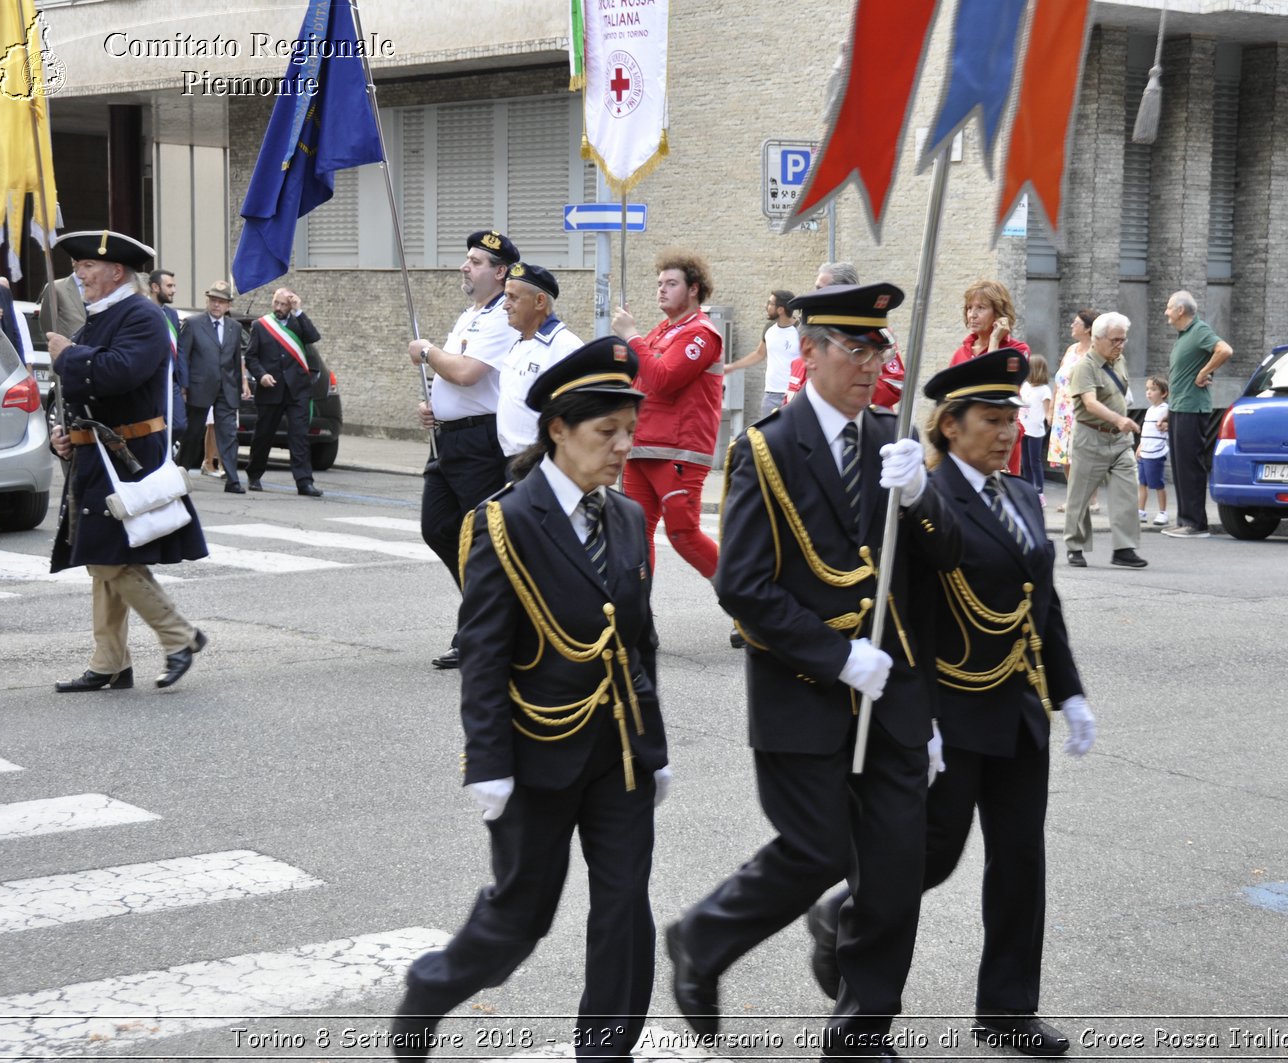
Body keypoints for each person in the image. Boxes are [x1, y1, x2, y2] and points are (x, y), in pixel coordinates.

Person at [665, 282, 962, 1059]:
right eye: (856, 349)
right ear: (814, 350)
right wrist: (837, 656)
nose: (872, 366)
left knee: (896, 871)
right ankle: (700, 938)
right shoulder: (763, 448)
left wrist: (925, 497)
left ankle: (860, 1032)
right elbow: (743, 585)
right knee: (819, 849)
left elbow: (938, 567)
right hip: (803, 692)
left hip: (891, 696)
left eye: (881, 350)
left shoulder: (890, 445)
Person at [806, 349, 1096, 1058]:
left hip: (1018, 709)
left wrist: (1070, 690)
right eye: (991, 420)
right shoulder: (921, 496)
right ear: (949, 426)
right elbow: (900, 613)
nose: (1006, 433)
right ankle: (841, 924)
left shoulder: (1024, 494)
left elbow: (1041, 606)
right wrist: (919, 714)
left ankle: (1007, 1007)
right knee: (921, 862)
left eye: (1013, 419)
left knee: (1020, 862)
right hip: (948, 712)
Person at [389, 337, 669, 1061]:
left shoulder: (629, 518)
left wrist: (654, 743)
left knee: (624, 910)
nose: (622, 447)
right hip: (536, 750)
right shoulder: (503, 521)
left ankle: (606, 1050)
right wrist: (488, 760)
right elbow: (482, 651)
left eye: (628, 432)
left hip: (619, 755)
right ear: (557, 430)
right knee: (521, 917)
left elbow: (639, 642)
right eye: (605, 433)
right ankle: (431, 988)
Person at [43, 230, 209, 692]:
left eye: (86, 269)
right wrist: (65, 433)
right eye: (78, 269)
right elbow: (79, 388)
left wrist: (70, 355)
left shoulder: (142, 314)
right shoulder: (103, 315)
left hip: (129, 454)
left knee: (112, 558)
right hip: (98, 453)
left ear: (116, 271)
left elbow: (120, 372)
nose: (79, 277)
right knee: (103, 557)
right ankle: (110, 662)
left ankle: (180, 637)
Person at [408, 230, 520, 670]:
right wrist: (433, 405)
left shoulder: (498, 319)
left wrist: (428, 351)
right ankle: (489, 615)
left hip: (479, 441)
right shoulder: (468, 315)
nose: (464, 266)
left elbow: (470, 373)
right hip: (448, 438)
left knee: (480, 540)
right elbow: (452, 378)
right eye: (467, 259)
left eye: (475, 261)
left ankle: (482, 629)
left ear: (499, 271)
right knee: (438, 528)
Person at [612, 250, 723, 580]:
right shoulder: (662, 330)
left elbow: (663, 380)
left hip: (678, 450)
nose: (661, 289)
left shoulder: (701, 333)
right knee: (634, 537)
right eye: (659, 283)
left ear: (694, 289)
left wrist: (631, 336)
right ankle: (637, 617)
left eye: (671, 283)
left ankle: (750, 605)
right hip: (643, 445)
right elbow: (640, 376)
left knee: (684, 536)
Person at [1062, 312, 1146, 569]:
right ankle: (1075, 546)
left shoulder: (1119, 360)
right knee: (1080, 496)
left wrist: (1122, 423)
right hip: (1091, 437)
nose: (1120, 345)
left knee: (1127, 491)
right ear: (1097, 339)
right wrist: (1119, 420)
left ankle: (1124, 548)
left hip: (1119, 441)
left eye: (1123, 340)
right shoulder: (1083, 367)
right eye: (1115, 340)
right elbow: (1090, 403)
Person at [496, 260, 583, 473]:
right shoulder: (519, 343)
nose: (505, 305)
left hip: (543, 462)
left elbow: (577, 411)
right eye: (506, 296)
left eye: (513, 298)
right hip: (512, 460)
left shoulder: (565, 347)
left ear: (539, 301)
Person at [1159, 289, 1233, 539]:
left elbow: (1224, 350)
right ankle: (1184, 519)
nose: (1166, 312)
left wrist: (1204, 372)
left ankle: (1196, 523)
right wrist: (1169, 412)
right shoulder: (1184, 336)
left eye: (1169, 307)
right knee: (1180, 466)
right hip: (1180, 407)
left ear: (1181, 310)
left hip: (1192, 409)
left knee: (1190, 466)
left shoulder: (1199, 330)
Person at [786, 262, 907, 411]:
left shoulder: (877, 335)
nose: (815, 293)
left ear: (843, 291)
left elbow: (895, 384)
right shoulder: (810, 331)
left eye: (821, 289)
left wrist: (846, 392)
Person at [244, 286, 322, 496]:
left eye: (283, 304)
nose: (278, 308)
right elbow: (251, 357)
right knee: (263, 435)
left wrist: (299, 310)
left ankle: (304, 482)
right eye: (276, 303)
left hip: (297, 390)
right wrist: (261, 375)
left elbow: (313, 337)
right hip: (271, 389)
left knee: (299, 437)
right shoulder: (261, 325)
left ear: (290, 305)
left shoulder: (298, 323)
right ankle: (254, 474)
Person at [177, 281, 249, 494]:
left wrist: (240, 385)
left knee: (228, 434)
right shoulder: (193, 323)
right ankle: (181, 473)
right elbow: (183, 356)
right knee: (193, 433)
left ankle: (233, 479)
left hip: (226, 389)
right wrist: (184, 385)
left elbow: (236, 360)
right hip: (199, 387)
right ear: (208, 301)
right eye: (213, 300)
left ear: (228, 305)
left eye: (221, 302)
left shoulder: (234, 328)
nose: (216, 305)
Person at [951, 280, 1027, 475]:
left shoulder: (1017, 351)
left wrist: (994, 341)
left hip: (999, 437)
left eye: (981, 308)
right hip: (966, 440)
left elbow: (993, 390)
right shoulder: (961, 352)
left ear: (998, 314)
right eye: (969, 308)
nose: (972, 314)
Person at [1047, 309, 1096, 511]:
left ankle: (1087, 499)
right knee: (1065, 457)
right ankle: (1075, 497)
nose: (1072, 326)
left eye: (1076, 323)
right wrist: (1050, 409)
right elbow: (1059, 381)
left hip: (1080, 410)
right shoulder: (1071, 350)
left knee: (1081, 457)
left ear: (1088, 329)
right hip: (1062, 410)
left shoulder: (1094, 352)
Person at [724, 289, 799, 416]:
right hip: (770, 396)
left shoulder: (801, 330)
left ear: (780, 310)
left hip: (794, 395)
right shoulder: (769, 328)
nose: (766, 306)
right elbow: (759, 354)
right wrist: (733, 366)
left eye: (770, 303)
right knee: (767, 435)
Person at [148, 269, 188, 446]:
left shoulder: (172, 314)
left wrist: (183, 383)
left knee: (179, 425)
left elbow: (179, 349)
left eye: (174, 286)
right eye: (169, 286)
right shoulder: (144, 311)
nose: (174, 290)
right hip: (150, 381)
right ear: (155, 287)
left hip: (171, 382)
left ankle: (164, 450)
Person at [1018, 352, 1052, 503]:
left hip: (1036, 431)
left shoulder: (1044, 390)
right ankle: (1028, 490)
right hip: (1023, 428)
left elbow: (1047, 412)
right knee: (1025, 462)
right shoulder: (1025, 386)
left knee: (1035, 462)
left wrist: (1051, 420)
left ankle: (1039, 492)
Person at [1137, 376, 1170, 526]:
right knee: (1142, 483)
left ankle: (1163, 512)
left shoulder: (1166, 410)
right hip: (1144, 452)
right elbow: (1145, 431)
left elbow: (1169, 427)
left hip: (1156, 453)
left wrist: (1167, 424)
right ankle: (1141, 511)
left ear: (1163, 393)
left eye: (1153, 389)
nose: (1149, 392)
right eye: (1147, 389)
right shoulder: (1150, 410)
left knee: (1157, 484)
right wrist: (1140, 446)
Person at [39, 271, 88, 340]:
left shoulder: (102, 287)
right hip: (68, 347)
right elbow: (47, 324)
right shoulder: (55, 287)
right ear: (74, 262)